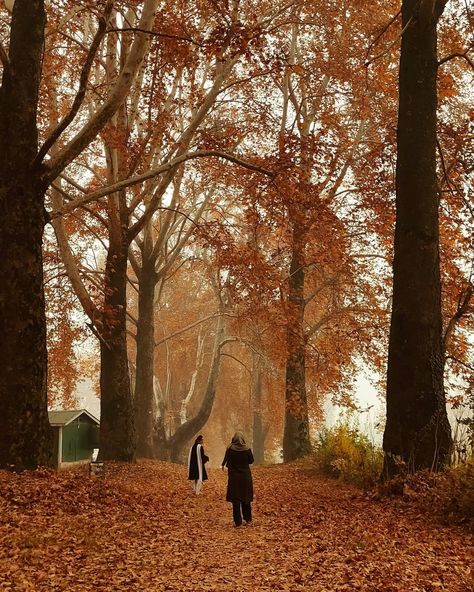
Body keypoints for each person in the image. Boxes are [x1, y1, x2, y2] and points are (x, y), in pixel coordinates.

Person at [222, 431, 254, 527]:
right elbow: (251, 460)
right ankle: (248, 519)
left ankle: (238, 522)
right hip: (245, 477)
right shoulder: (247, 449)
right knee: (246, 497)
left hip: (234, 477)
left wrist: (223, 464)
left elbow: (226, 459)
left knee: (236, 499)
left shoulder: (230, 448)